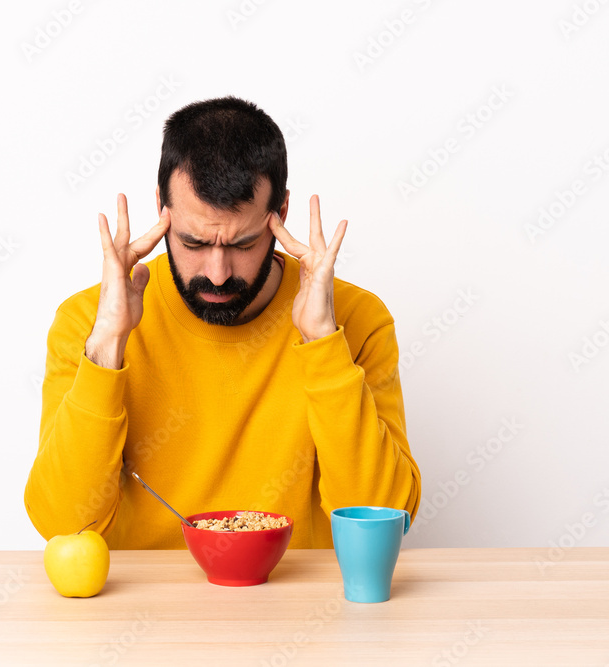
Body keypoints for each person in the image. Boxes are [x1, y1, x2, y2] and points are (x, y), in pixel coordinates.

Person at [25, 96, 421, 549]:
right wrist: (109, 345)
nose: (217, 272)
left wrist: (323, 343)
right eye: (193, 242)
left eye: (243, 242)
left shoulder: (356, 320)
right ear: (161, 209)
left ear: (281, 215)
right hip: (144, 609)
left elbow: (386, 518)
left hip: (301, 609)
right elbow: (62, 522)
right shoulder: (89, 323)